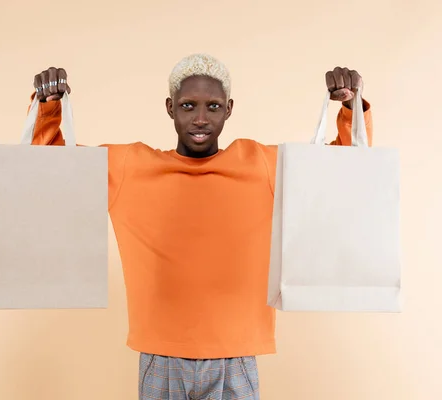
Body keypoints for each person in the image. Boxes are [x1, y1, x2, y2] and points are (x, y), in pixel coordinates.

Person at [28, 54, 372, 400]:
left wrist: (349, 107)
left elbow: (339, 169)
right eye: (188, 105)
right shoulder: (131, 166)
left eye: (214, 106)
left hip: (235, 357)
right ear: (170, 107)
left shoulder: (259, 164)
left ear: (229, 109)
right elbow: (52, 166)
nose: (201, 119)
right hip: (161, 357)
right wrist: (49, 106)